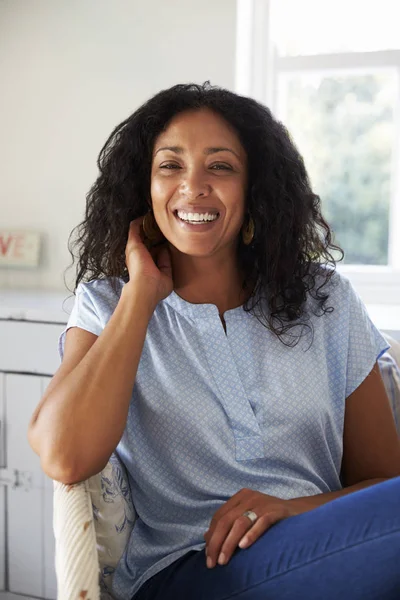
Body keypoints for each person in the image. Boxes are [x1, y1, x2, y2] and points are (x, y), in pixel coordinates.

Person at [28, 82, 400, 600]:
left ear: (255, 190)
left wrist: (293, 508)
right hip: (191, 570)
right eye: (170, 166)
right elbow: (65, 456)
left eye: (220, 167)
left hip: (327, 552)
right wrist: (141, 297)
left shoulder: (325, 302)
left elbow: (386, 483)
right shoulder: (108, 304)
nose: (193, 185)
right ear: (146, 188)